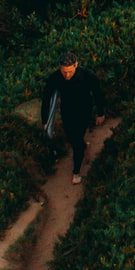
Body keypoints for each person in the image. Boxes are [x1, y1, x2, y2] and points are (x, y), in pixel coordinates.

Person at [39, 54, 105, 185]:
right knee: (72, 137)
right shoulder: (55, 77)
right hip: (67, 111)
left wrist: (100, 113)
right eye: (64, 72)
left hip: (84, 109)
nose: (67, 75)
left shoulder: (87, 75)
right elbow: (46, 98)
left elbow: (98, 93)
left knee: (76, 140)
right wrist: (45, 120)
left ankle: (76, 172)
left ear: (76, 65)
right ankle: (83, 147)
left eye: (69, 72)